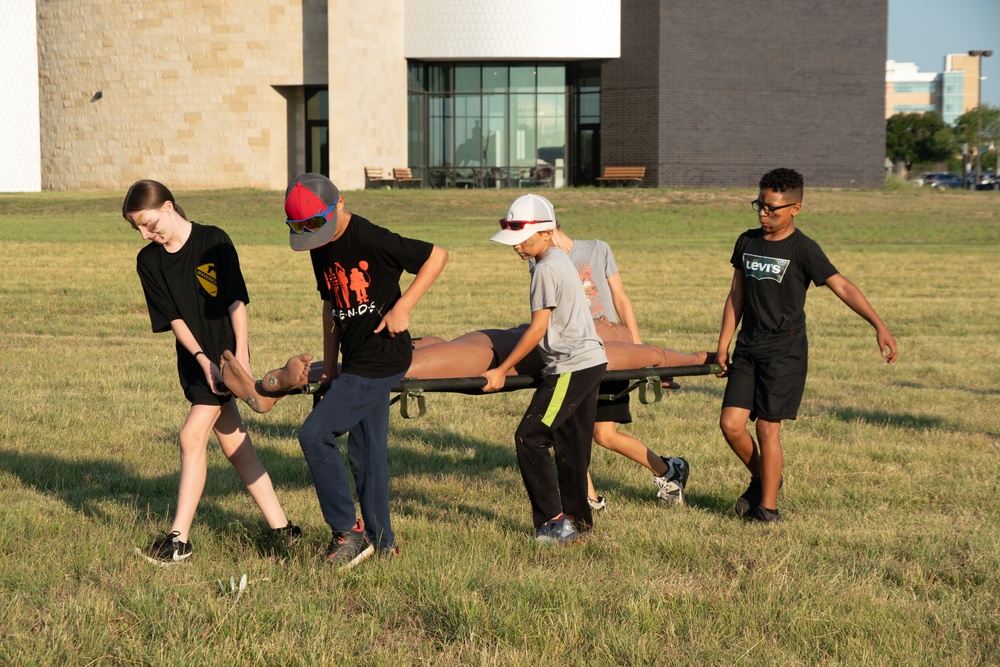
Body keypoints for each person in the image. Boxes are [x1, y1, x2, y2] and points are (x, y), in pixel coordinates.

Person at [122, 179, 299, 566]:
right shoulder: (148, 261)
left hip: (228, 358)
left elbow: (237, 300)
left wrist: (240, 357)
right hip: (196, 361)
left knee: (190, 436)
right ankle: (284, 531)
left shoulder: (213, 240)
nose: (145, 233)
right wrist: (201, 360)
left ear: (168, 207)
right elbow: (173, 318)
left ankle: (178, 541)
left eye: (149, 223)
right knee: (237, 447)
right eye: (137, 227)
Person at [283, 172, 448, 570]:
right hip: (355, 360)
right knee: (366, 455)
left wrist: (403, 306)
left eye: (316, 228)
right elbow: (331, 305)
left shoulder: (370, 237)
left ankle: (348, 530)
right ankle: (383, 542)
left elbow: (436, 255)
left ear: (338, 204)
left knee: (315, 433)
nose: (313, 240)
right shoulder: (318, 242)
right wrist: (329, 365)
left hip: (383, 357)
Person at [716, 168, 898, 524]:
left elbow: (842, 286)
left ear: (795, 208)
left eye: (773, 209)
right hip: (748, 348)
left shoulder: (803, 248)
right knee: (731, 425)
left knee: (768, 429)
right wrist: (724, 344)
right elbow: (736, 293)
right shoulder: (747, 242)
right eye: (760, 206)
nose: (764, 215)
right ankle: (764, 477)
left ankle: (767, 510)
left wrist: (879, 325)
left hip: (785, 351)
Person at [482, 193, 608, 545]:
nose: (517, 247)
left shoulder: (546, 268)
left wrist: (502, 369)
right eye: (513, 241)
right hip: (591, 363)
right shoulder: (556, 259)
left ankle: (553, 523)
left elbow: (537, 328)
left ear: (547, 233)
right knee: (572, 446)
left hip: (571, 368)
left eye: (522, 240)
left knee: (530, 437)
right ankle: (579, 524)